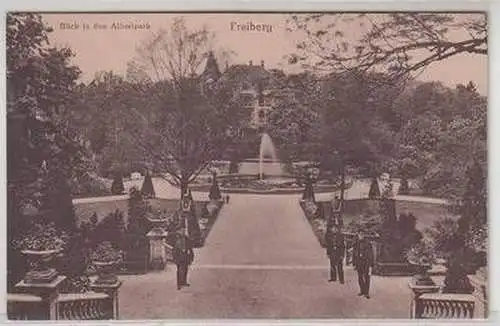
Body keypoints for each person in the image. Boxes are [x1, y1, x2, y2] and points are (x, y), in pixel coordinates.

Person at [353, 233, 374, 298]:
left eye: (362, 234)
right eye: (359, 234)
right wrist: (354, 263)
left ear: (364, 235)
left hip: (366, 262)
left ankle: (366, 292)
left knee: (367, 277)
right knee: (360, 277)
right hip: (359, 262)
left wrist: (371, 264)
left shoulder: (368, 243)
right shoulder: (356, 243)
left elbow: (371, 254)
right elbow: (354, 253)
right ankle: (362, 290)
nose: (360, 236)